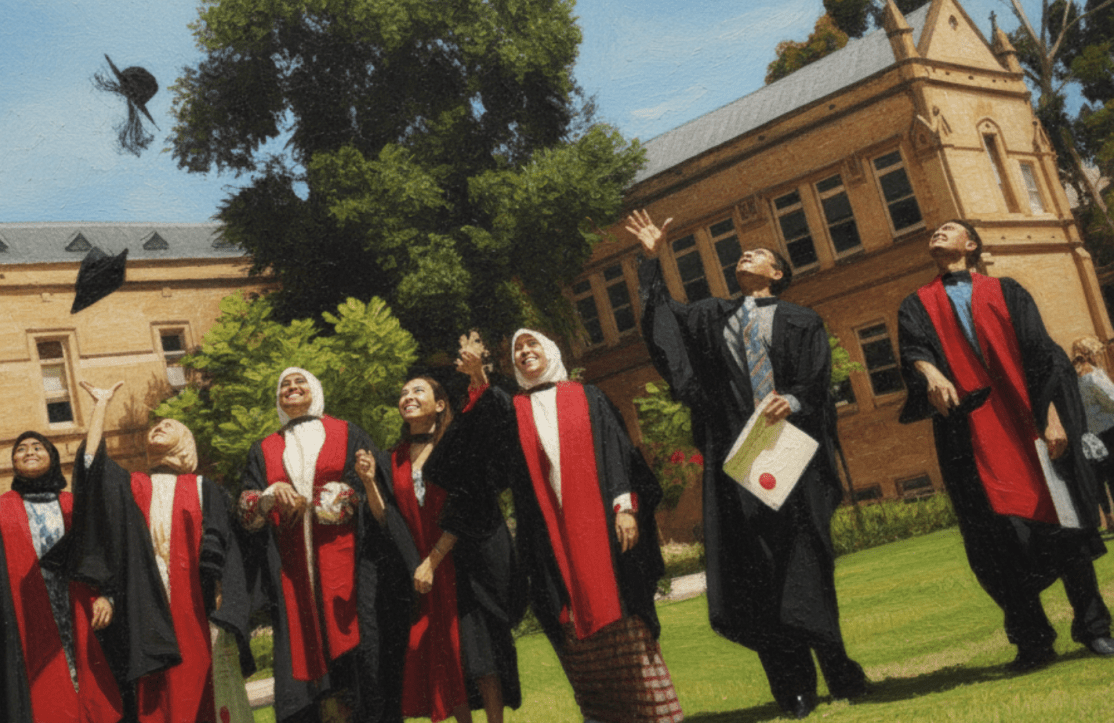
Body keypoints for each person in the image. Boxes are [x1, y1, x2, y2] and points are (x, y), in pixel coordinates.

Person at [627, 210, 865, 719]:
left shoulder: (803, 320)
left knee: (805, 563)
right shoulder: (713, 317)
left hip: (791, 454)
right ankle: (793, 687)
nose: (745, 255)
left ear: (778, 273)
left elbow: (818, 385)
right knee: (757, 571)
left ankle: (838, 664)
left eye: (758, 253)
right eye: (742, 254)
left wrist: (793, 402)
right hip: (738, 455)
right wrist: (650, 261)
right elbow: (663, 321)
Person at [427, 330, 681, 723]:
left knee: (625, 620)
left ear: (550, 351)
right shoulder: (516, 410)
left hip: (604, 533)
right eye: (517, 349)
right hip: (551, 542)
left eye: (532, 345)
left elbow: (618, 452)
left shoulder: (587, 396)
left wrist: (624, 506)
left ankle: (656, 715)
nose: (525, 352)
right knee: (571, 625)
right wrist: (477, 378)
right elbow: (484, 432)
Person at [897, 219, 1114, 670]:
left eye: (950, 228)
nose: (937, 232)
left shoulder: (1008, 291)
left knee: (1067, 529)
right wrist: (930, 372)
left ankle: (1094, 628)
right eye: (934, 230)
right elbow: (914, 350)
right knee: (996, 543)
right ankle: (1032, 640)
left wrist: (1053, 419)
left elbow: (1043, 357)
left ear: (970, 245)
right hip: (971, 437)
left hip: (1028, 427)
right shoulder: (916, 304)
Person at [0, 421, 177, 723]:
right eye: (20, 449)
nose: (28, 452)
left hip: (83, 620)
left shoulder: (75, 507)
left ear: (53, 457)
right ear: (13, 463)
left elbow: (108, 554)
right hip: (29, 631)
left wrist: (109, 597)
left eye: (37, 447)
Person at [75, 379, 255, 723]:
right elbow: (92, 467)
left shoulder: (204, 488)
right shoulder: (133, 485)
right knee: (154, 696)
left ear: (185, 443)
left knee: (203, 689)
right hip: (145, 605)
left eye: (169, 425)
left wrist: (223, 602)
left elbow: (225, 554)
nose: (159, 426)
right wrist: (101, 406)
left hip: (195, 605)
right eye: (155, 425)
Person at [237, 367, 406, 723]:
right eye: (285, 385)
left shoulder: (347, 432)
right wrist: (270, 495)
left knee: (360, 654)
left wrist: (336, 497)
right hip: (292, 572)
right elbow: (245, 506)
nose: (292, 388)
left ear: (315, 389)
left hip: (350, 565)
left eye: (300, 382)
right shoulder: (264, 448)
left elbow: (372, 485)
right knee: (303, 656)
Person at [355, 373, 520, 723]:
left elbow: (469, 507)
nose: (408, 396)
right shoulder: (392, 459)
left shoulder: (456, 445)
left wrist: (434, 560)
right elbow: (386, 518)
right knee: (447, 659)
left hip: (463, 564)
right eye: (403, 393)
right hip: (422, 571)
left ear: (440, 404)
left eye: (418, 390)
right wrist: (370, 482)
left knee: (481, 656)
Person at [1071, 336, 1114, 532]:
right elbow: (1110, 401)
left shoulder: (1076, 379)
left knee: (1099, 478)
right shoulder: (1094, 376)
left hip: (1091, 434)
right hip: (1109, 428)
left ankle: (1109, 517)